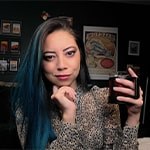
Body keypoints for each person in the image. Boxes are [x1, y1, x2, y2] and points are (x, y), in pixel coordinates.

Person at [10, 16, 143, 150]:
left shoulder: (102, 99)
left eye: (69, 53)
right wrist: (68, 117)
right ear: (40, 62)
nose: (61, 65)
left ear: (81, 55)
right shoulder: (25, 105)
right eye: (49, 57)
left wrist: (133, 116)